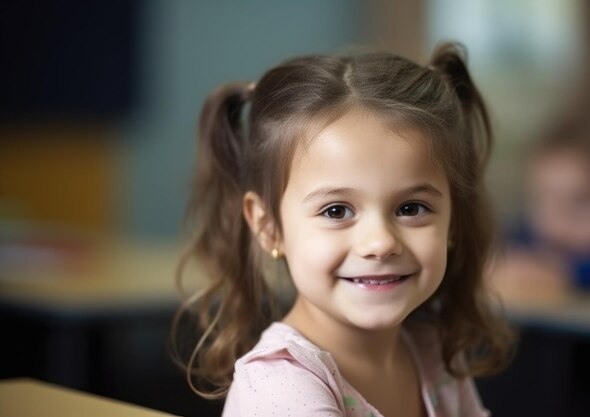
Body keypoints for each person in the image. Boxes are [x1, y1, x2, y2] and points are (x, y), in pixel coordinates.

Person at [171, 43, 514, 417]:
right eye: (337, 210)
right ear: (269, 227)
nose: (380, 243)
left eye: (411, 208)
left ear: (453, 220)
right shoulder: (281, 386)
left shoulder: (433, 356)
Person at [491, 115, 590, 294]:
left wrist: (567, 275)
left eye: (581, 204)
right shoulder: (526, 235)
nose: (557, 226)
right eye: (542, 201)